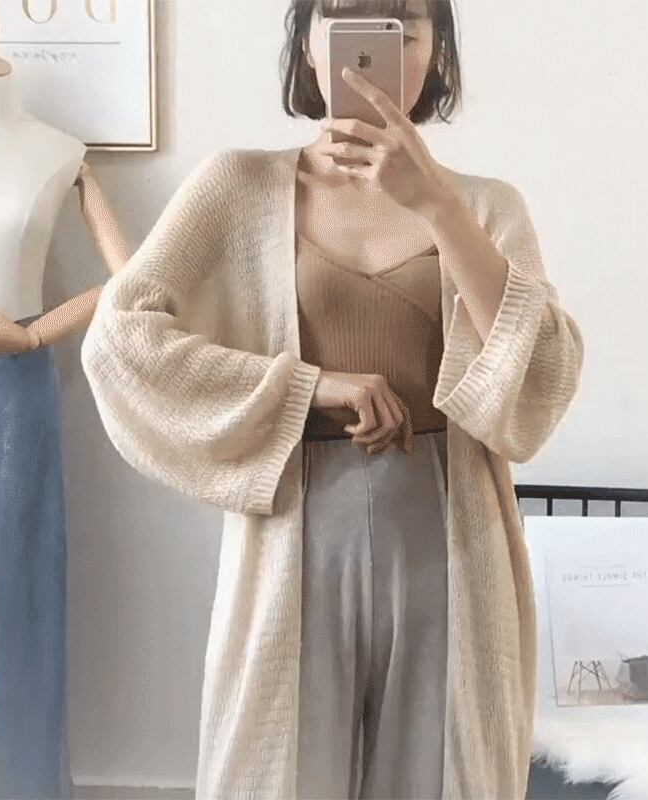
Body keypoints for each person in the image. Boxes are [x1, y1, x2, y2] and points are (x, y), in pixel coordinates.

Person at [80, 0, 584, 797]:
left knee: (439, 773)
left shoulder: (487, 206)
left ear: (437, 52)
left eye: (406, 25)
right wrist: (309, 386)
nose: (377, 47)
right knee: (287, 770)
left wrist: (438, 207)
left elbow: (542, 375)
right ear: (308, 46)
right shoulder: (237, 186)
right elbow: (119, 340)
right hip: (296, 529)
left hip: (449, 535)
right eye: (346, 18)